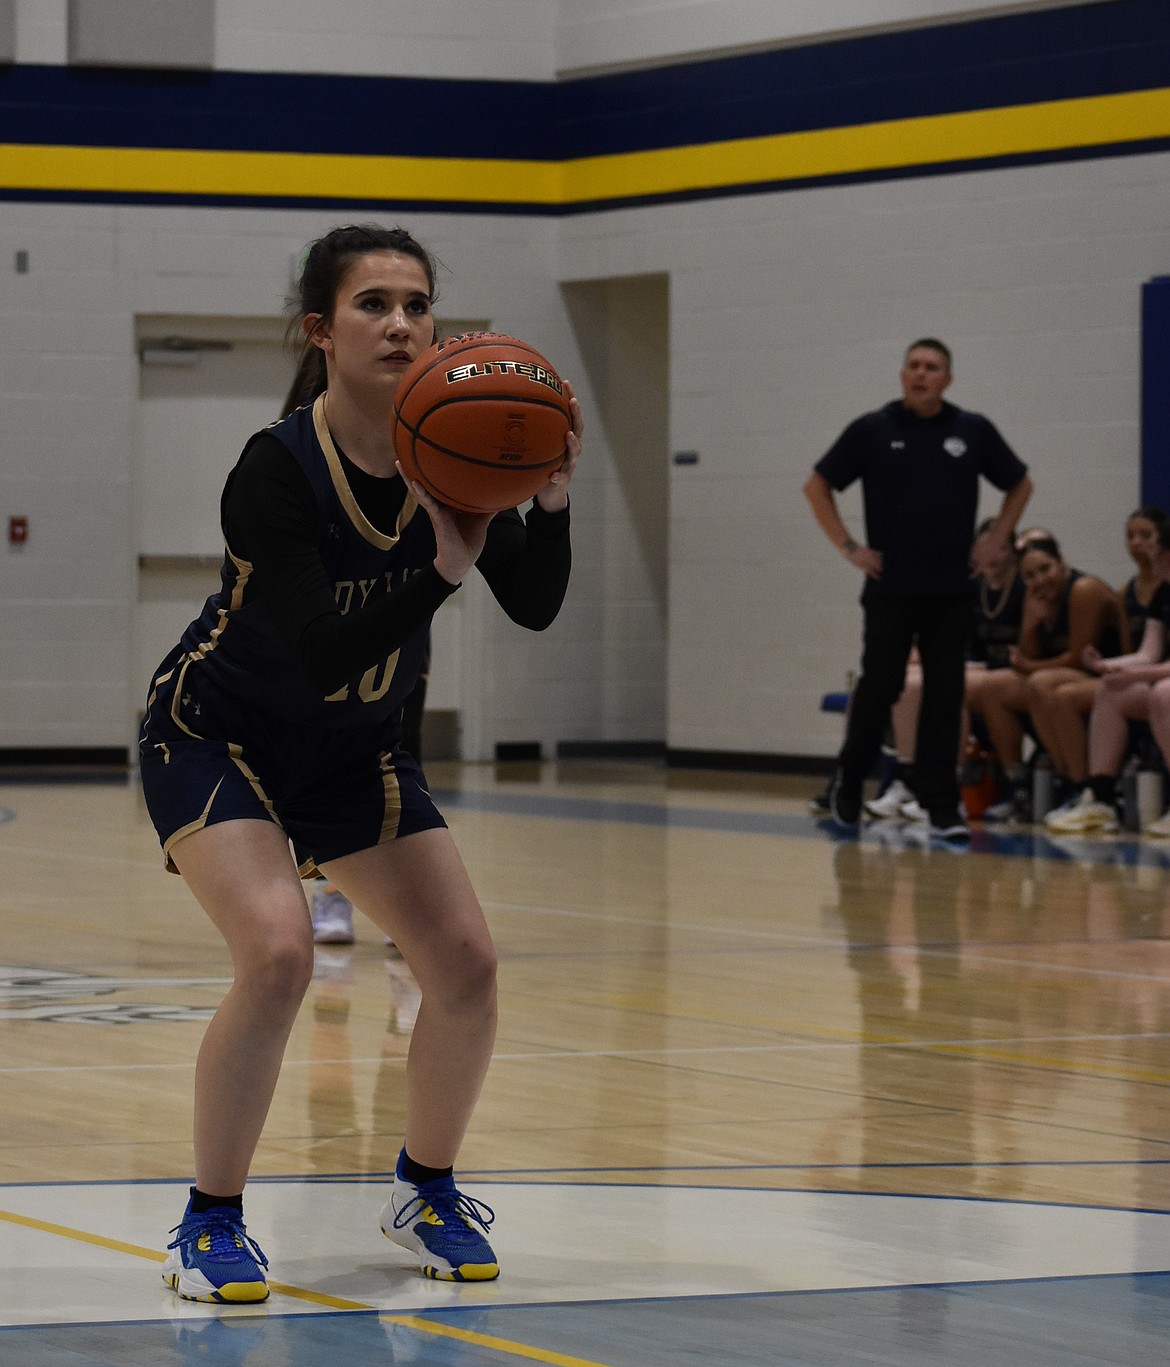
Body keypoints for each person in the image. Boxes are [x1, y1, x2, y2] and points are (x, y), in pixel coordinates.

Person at [139, 223, 583, 1301]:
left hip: (351, 750)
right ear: (321, 331)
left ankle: (424, 1184)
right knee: (282, 952)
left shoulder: (459, 447)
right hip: (218, 730)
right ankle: (210, 1219)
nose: (400, 322)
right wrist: (439, 569)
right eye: (374, 303)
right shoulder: (275, 468)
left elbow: (535, 603)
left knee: (468, 963)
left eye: (417, 303)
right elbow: (316, 643)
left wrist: (551, 500)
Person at [804, 337, 1032, 840]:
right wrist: (850, 547)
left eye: (932, 368)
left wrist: (996, 540)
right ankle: (847, 784)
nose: (921, 374)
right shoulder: (873, 429)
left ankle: (941, 804)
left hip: (952, 589)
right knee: (880, 687)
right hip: (891, 587)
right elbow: (817, 485)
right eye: (914, 366)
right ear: (902, 374)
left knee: (945, 694)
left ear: (947, 379)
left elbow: (1020, 483)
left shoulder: (970, 430)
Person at [865, 518, 1026, 821]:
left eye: (1000, 548)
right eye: (984, 548)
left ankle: (948, 789)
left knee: (950, 685)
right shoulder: (973, 586)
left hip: (1013, 673)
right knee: (909, 682)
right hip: (980, 669)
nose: (991, 556)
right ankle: (907, 777)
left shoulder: (1023, 586)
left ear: (1013, 551)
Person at [1026, 508, 1165, 821]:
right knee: (1100, 691)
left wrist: (1130, 672)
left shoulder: (1086, 590)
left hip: (1160, 680)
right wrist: (1113, 666)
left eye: (1148, 538)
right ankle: (1094, 794)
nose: (1140, 545)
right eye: (1131, 536)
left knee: (1161, 694)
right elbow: (1144, 651)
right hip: (1151, 675)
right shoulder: (1141, 592)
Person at [976, 535, 1123, 819]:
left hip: (1105, 677)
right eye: (1030, 576)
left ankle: (1080, 785)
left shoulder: (1083, 589)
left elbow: (1079, 658)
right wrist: (1030, 625)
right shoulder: (1036, 598)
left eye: (1045, 569)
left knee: (1042, 684)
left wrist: (1029, 666)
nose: (1039, 580)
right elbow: (1025, 657)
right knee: (993, 687)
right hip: (1066, 678)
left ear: (1062, 562)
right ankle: (1017, 784)